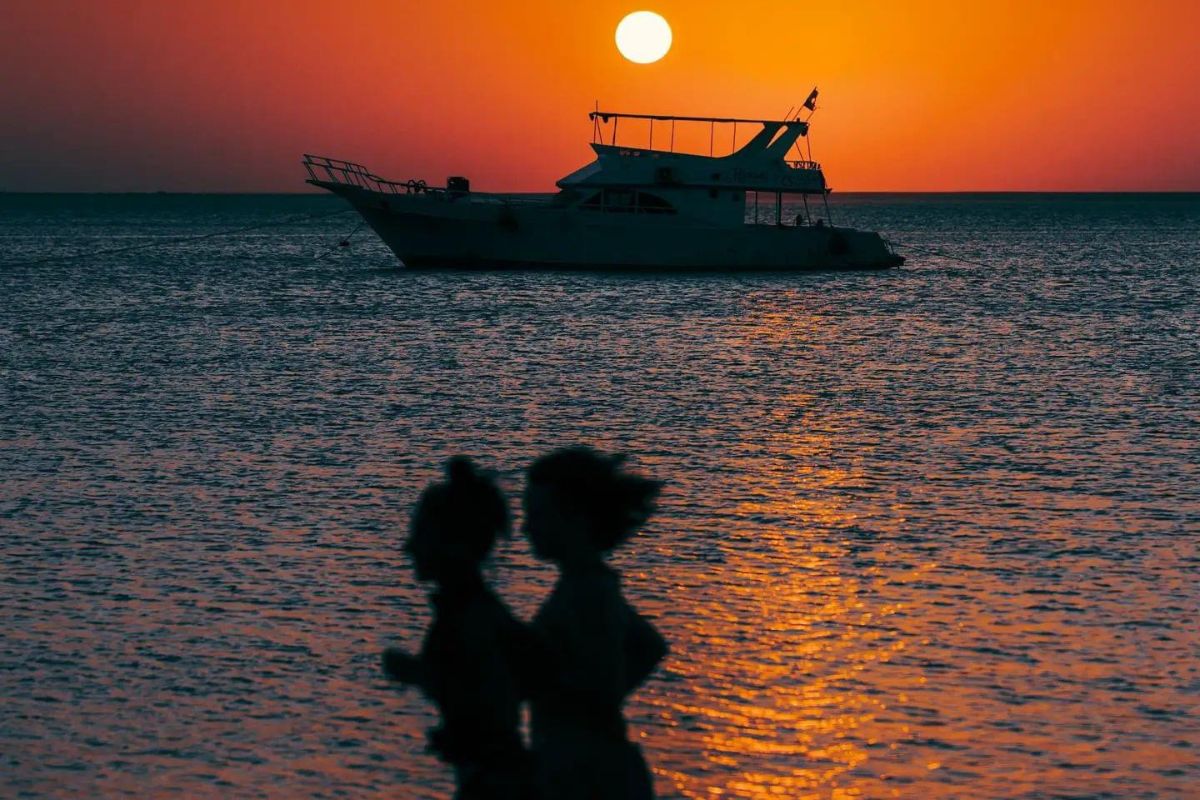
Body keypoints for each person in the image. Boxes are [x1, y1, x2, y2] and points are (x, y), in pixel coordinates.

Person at [381, 457, 537, 799]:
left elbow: (481, 699)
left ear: (453, 544)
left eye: (420, 535)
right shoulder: (480, 612)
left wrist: (417, 673)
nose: (409, 548)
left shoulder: (471, 618)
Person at [523, 447, 668, 800]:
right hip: (593, 760)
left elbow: (601, 685)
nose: (525, 528)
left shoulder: (586, 593)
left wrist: (543, 690)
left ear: (574, 519)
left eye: (536, 515)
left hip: (587, 774)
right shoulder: (590, 583)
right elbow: (649, 647)